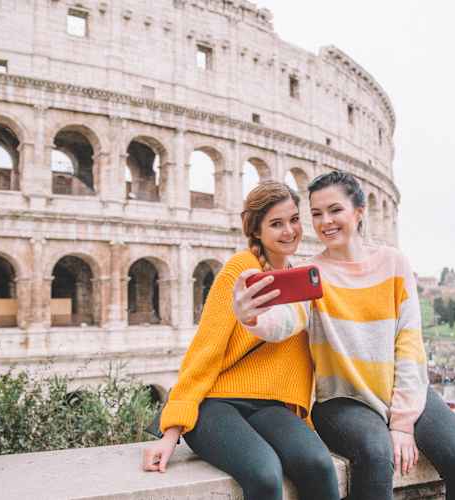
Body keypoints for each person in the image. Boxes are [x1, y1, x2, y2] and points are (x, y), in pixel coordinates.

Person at [233, 171, 455, 500]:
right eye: (317, 214)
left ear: (359, 211)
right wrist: (250, 315)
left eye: (335, 210)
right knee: (376, 454)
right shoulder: (312, 274)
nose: (326, 222)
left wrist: (402, 421)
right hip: (343, 401)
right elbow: (284, 321)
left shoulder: (394, 263)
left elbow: (409, 342)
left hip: (402, 389)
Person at [142, 180, 340, 500]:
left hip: (272, 406)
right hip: (216, 404)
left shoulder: (302, 278)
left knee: (319, 465)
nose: (289, 230)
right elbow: (206, 348)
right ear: (256, 231)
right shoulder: (241, 269)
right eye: (276, 224)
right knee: (264, 473)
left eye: (294, 219)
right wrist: (171, 433)